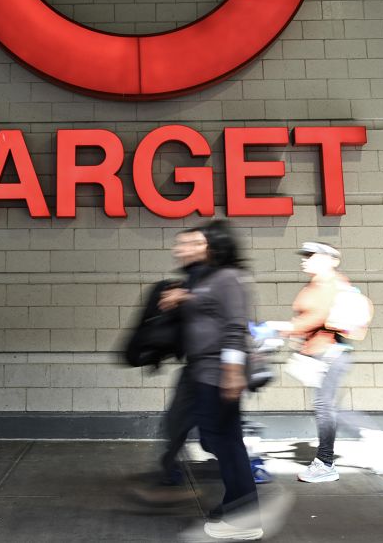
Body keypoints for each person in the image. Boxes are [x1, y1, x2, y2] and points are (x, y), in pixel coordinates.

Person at [160, 220, 260, 541]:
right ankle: (236, 503)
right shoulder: (211, 278)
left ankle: (245, 518)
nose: (189, 249)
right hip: (204, 373)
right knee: (217, 440)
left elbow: (233, 326)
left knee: (227, 443)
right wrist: (182, 299)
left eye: (198, 243)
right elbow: (207, 307)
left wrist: (231, 374)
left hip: (219, 373)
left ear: (216, 245)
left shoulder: (229, 277)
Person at [285, 241, 383, 482]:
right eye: (304, 255)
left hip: (330, 355)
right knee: (328, 408)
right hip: (320, 355)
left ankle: (325, 462)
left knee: (325, 408)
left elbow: (315, 318)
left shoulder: (331, 284)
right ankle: (374, 438)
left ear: (330, 259)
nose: (305, 259)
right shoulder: (315, 285)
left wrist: (282, 329)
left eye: (311, 255)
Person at [126, 228, 209, 502]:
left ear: (205, 247)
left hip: (214, 367)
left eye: (188, 244)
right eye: (180, 244)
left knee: (216, 434)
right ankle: (169, 474)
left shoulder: (215, 275)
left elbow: (220, 308)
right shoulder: (193, 277)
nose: (179, 249)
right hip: (197, 366)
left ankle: (244, 490)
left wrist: (183, 297)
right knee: (178, 423)